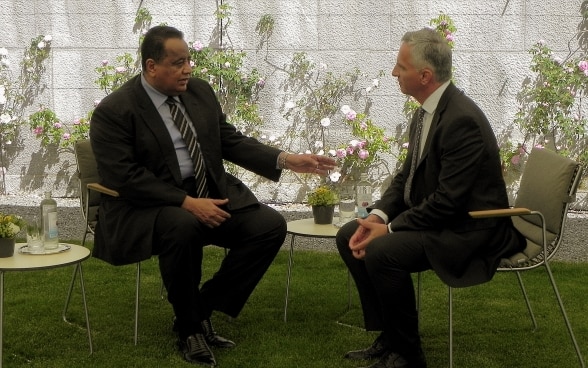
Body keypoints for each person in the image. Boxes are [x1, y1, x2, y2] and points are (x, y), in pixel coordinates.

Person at [90, 25, 335, 366]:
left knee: (268, 226)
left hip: (208, 192)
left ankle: (200, 307)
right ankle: (190, 329)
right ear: (151, 66)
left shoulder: (199, 92)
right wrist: (186, 203)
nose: (188, 69)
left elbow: (229, 140)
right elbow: (126, 177)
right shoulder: (115, 111)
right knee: (183, 226)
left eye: (189, 60)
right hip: (148, 206)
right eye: (178, 63)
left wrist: (286, 159)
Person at [336, 28, 525, 368]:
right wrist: (379, 217)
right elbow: (406, 177)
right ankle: (391, 336)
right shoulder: (426, 110)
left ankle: (408, 354)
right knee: (349, 233)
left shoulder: (461, 120)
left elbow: (449, 202)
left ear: (424, 75)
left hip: (470, 230)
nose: (394, 73)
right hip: (443, 221)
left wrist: (390, 231)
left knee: (382, 250)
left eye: (400, 67)